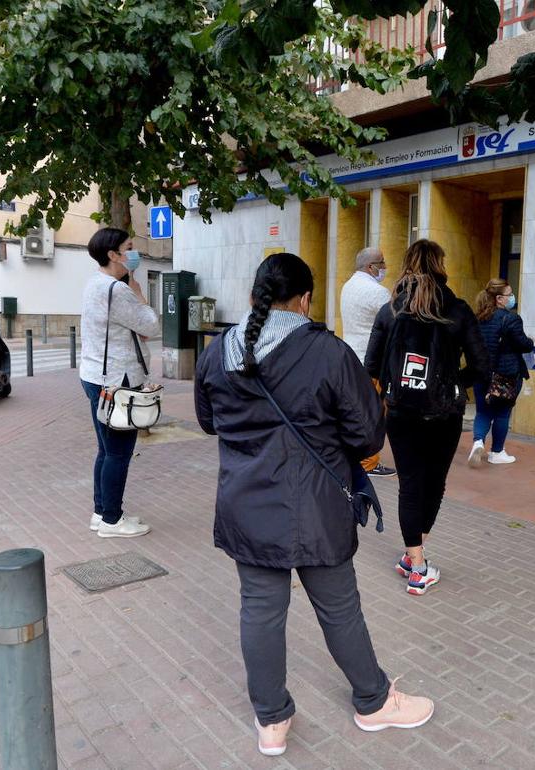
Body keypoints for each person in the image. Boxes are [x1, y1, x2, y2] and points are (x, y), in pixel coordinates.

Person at [194, 252, 434, 757]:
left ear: (256, 294)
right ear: (305, 298)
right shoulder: (327, 352)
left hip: (245, 506)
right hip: (315, 508)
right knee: (340, 609)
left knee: (259, 611)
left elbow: (208, 420)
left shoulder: (218, 352)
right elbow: (368, 433)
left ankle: (271, 721)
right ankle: (372, 702)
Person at [365, 239, 488, 595]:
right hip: (444, 414)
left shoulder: (389, 311)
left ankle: (412, 555)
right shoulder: (459, 310)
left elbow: (370, 366)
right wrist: (452, 384)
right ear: (440, 265)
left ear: (407, 266)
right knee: (434, 483)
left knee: (410, 484)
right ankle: (418, 566)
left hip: (400, 411)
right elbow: (482, 367)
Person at [79, 227, 161, 538]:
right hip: (117, 381)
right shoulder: (118, 290)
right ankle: (112, 521)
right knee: (117, 453)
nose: (133, 252)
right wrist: (139, 292)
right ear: (113, 255)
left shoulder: (95, 285)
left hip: (96, 376)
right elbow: (150, 326)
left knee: (105, 450)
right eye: (129, 247)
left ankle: (102, 513)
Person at [339, 246, 396, 478]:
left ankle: (353, 456)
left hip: (350, 356)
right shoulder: (378, 292)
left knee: (354, 411)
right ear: (371, 267)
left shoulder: (348, 286)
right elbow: (392, 326)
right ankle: (369, 462)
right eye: (382, 262)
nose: (384, 267)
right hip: (372, 361)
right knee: (373, 414)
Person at [469, 278, 535, 467]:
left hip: (482, 372)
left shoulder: (478, 318)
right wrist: (531, 341)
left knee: (482, 411)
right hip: (506, 374)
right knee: (502, 413)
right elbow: (523, 344)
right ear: (499, 298)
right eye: (509, 294)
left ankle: (478, 441)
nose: (512, 298)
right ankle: (496, 452)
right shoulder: (510, 318)